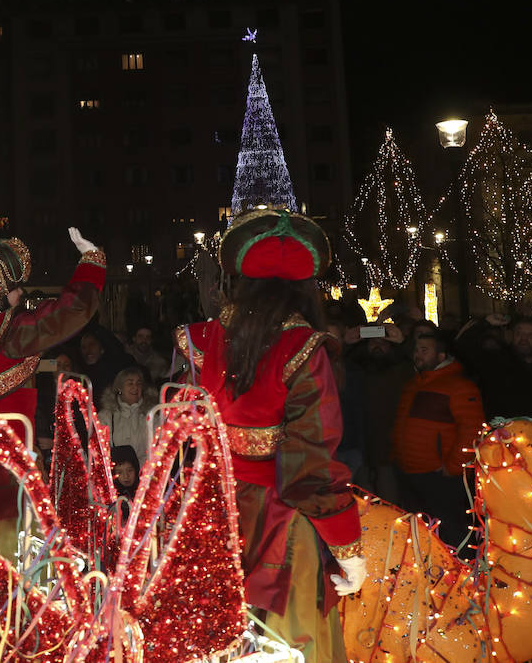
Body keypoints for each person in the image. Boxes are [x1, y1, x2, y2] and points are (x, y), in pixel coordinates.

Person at [174, 209, 365, 661]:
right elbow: (311, 461)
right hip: (281, 519)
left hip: (212, 510)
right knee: (285, 639)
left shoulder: (201, 340)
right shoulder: (301, 347)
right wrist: (348, 546)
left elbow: (186, 425)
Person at [0, 228, 106, 553]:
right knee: (13, 555)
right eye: (14, 288)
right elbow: (68, 312)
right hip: (9, 464)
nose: (20, 294)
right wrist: (91, 262)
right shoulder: (6, 332)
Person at [391, 331, 483, 546]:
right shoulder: (414, 384)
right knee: (421, 534)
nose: (417, 355)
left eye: (424, 350)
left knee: (451, 532)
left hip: (440, 476)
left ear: (441, 356)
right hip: (410, 473)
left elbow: (472, 430)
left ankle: (460, 574)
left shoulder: (459, 386)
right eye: (416, 350)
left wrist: (452, 467)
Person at [98, 366, 154, 463]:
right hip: (115, 472)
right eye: (130, 383)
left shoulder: (152, 415)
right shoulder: (106, 416)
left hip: (145, 473)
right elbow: (101, 449)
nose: (135, 387)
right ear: (120, 388)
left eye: (139, 383)